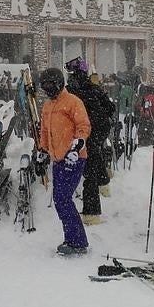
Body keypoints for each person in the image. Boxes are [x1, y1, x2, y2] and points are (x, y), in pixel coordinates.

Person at [35, 66, 92, 255]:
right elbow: (44, 131)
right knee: (60, 200)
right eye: (44, 86)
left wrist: (77, 146)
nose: (47, 89)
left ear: (59, 83)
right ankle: (72, 239)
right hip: (57, 158)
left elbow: (83, 126)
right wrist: (42, 151)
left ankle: (78, 242)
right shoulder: (48, 106)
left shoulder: (72, 102)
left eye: (50, 85)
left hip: (73, 158)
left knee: (62, 198)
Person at [64, 57, 115, 224]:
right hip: (98, 130)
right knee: (93, 159)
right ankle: (104, 185)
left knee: (90, 170)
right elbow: (110, 108)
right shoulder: (93, 88)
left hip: (83, 132)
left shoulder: (69, 91)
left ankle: (91, 214)